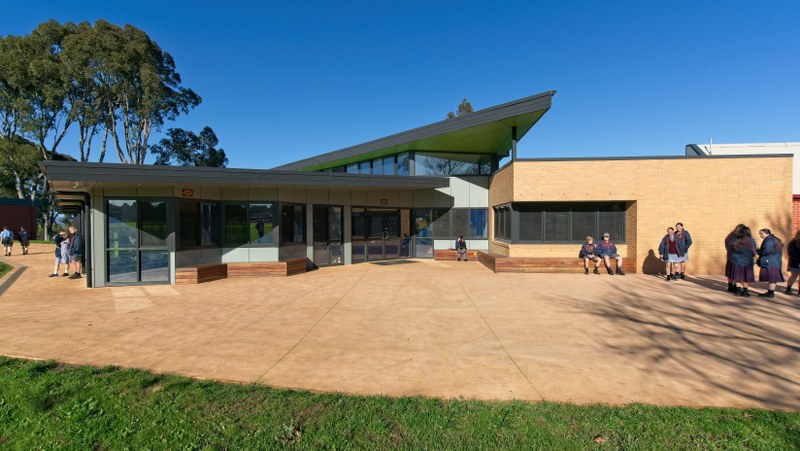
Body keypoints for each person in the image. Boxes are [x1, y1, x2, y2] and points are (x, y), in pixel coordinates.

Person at [729, 226, 757, 296]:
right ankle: (745, 291)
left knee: (737, 275)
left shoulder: (735, 239)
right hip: (747, 260)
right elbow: (754, 250)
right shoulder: (750, 240)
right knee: (745, 276)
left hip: (736, 259)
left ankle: (738, 290)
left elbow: (731, 247)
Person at [756, 228, 784, 298]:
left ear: (767, 233)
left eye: (762, 233)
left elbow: (766, 251)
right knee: (772, 278)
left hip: (770, 261)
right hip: (774, 261)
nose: (760, 235)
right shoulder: (774, 239)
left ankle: (770, 293)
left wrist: (759, 252)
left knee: (772, 278)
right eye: (760, 234)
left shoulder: (769, 240)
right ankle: (770, 292)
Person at [725, 224, 745, 292]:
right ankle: (736, 288)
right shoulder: (738, 237)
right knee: (735, 272)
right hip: (737, 257)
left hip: (730, 255)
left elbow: (727, 243)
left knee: (730, 272)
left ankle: (730, 286)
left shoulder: (730, 235)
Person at [785, 230, 800, 294]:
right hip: (795, 262)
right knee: (794, 276)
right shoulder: (793, 242)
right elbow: (791, 253)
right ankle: (788, 288)